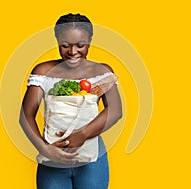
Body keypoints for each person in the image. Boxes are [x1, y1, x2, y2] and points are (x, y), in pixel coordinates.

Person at [19, 13, 122, 189]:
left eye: (80, 45)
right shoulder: (43, 71)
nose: (73, 52)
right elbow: (26, 115)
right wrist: (45, 149)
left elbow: (115, 110)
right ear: (57, 40)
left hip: (92, 159)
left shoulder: (101, 71)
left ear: (90, 40)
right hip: (52, 159)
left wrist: (83, 135)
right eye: (65, 45)